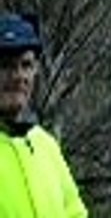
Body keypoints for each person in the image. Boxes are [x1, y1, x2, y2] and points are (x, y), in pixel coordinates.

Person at [0, 12, 88, 218]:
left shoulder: (46, 145)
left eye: (26, 65)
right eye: (6, 66)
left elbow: (76, 213)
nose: (19, 76)